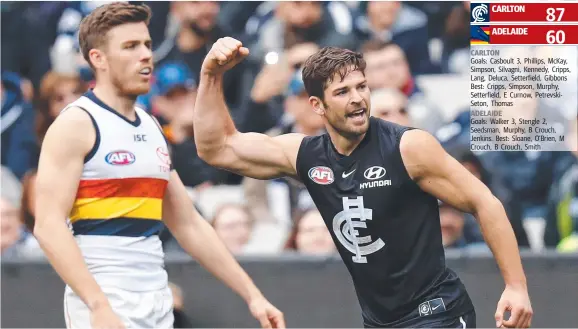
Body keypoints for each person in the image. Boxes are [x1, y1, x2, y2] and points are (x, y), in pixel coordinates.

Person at [193, 37, 533, 328]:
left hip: (435, 312)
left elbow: (484, 202)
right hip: (379, 321)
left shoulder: (409, 147)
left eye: (361, 86)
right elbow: (217, 149)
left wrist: (516, 286)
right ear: (318, 106)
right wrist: (211, 76)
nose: (357, 98)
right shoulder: (306, 155)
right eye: (342, 91)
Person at [33, 4, 284, 329]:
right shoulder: (77, 124)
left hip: (156, 304)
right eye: (130, 46)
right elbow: (48, 226)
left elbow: (188, 223)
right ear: (98, 59)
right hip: (103, 308)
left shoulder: (151, 126)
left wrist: (253, 295)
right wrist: (98, 306)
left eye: (148, 45)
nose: (146, 55)